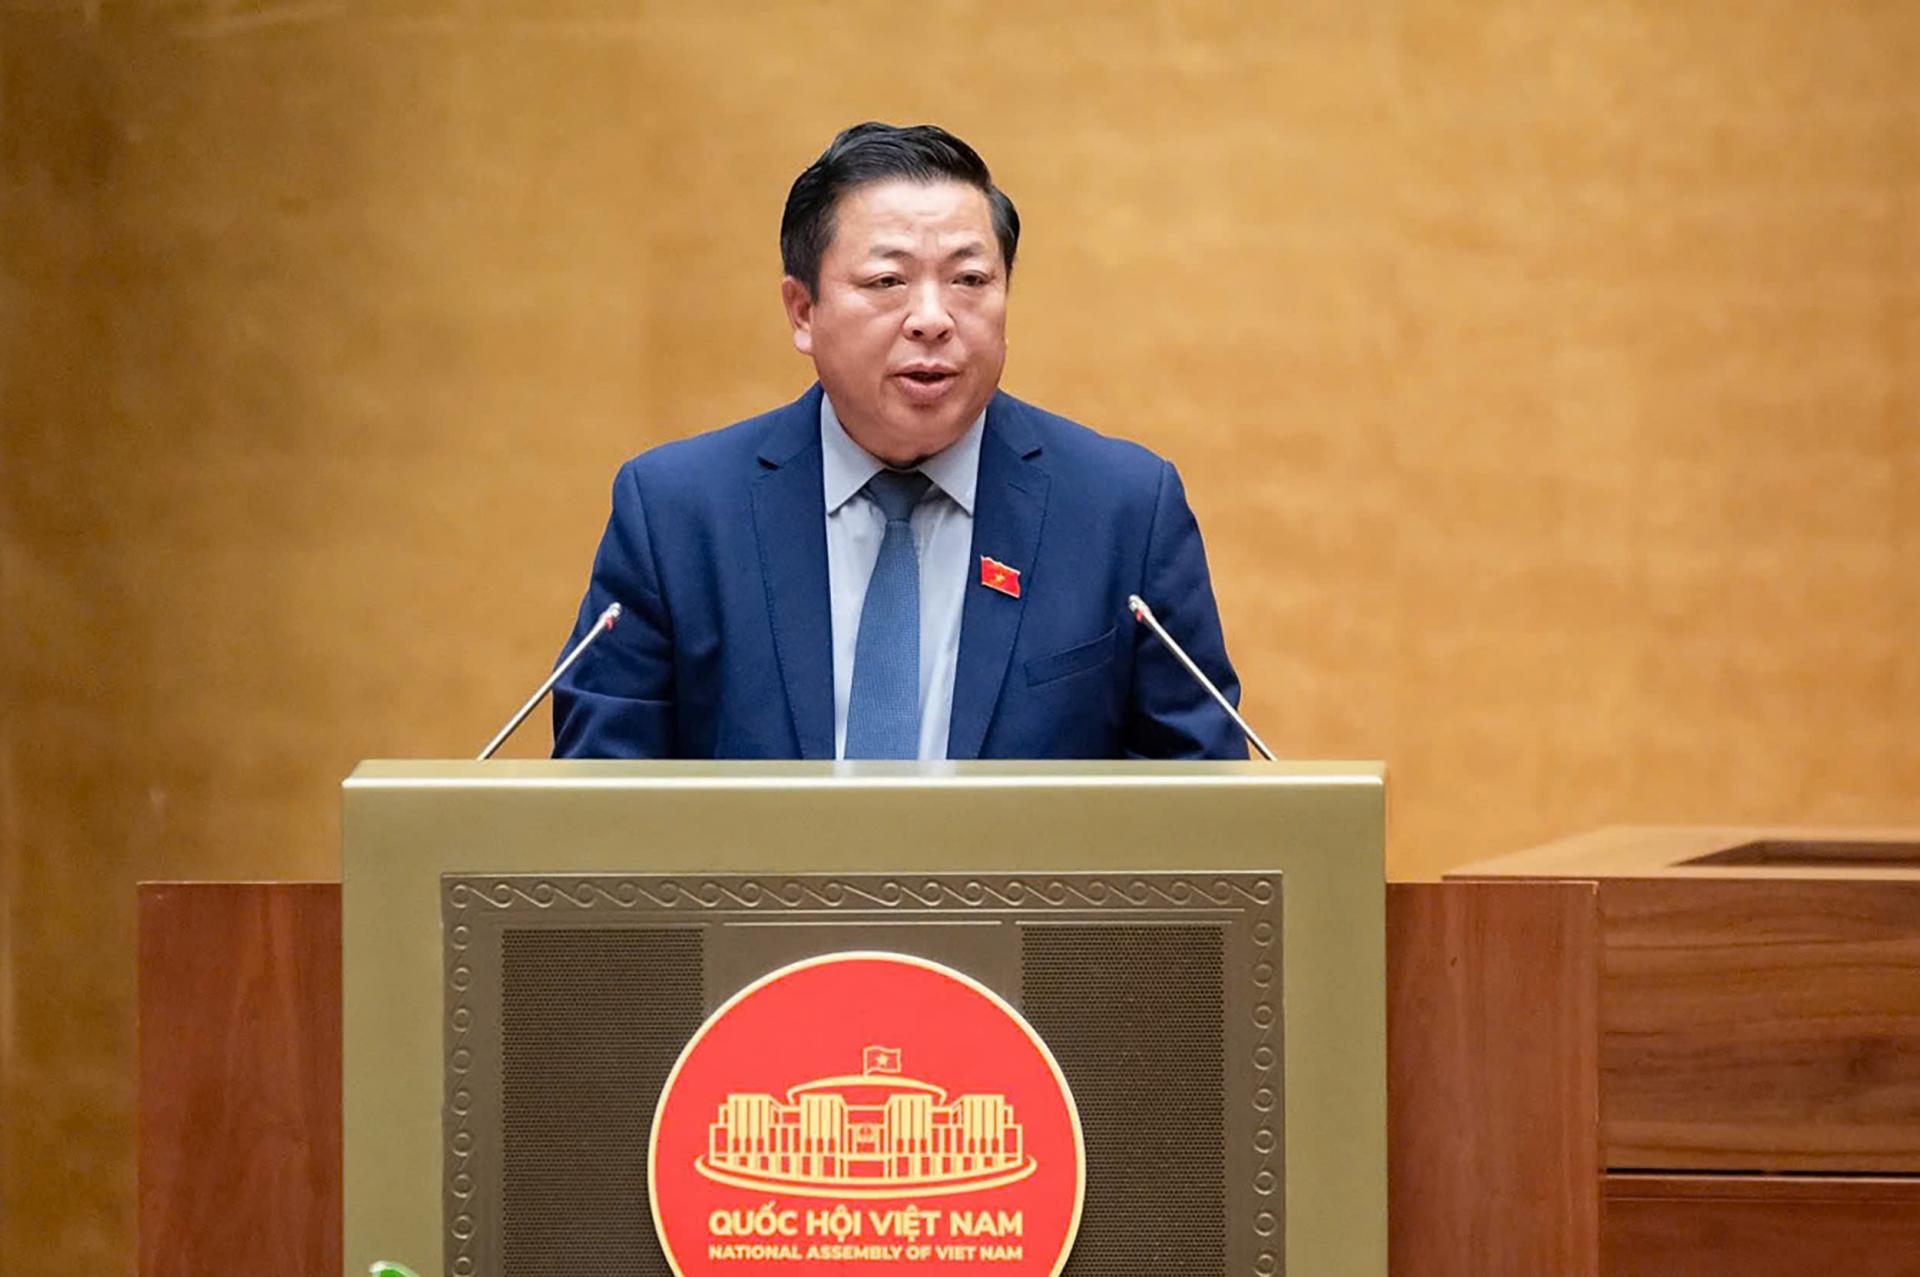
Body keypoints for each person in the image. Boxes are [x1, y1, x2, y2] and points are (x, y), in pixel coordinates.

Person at [552, 122, 1244, 760]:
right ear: (803, 310)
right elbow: (600, 804)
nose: (933, 319)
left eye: (970, 279)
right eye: (888, 281)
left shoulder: (1122, 510)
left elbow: (1200, 800)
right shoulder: (678, 514)